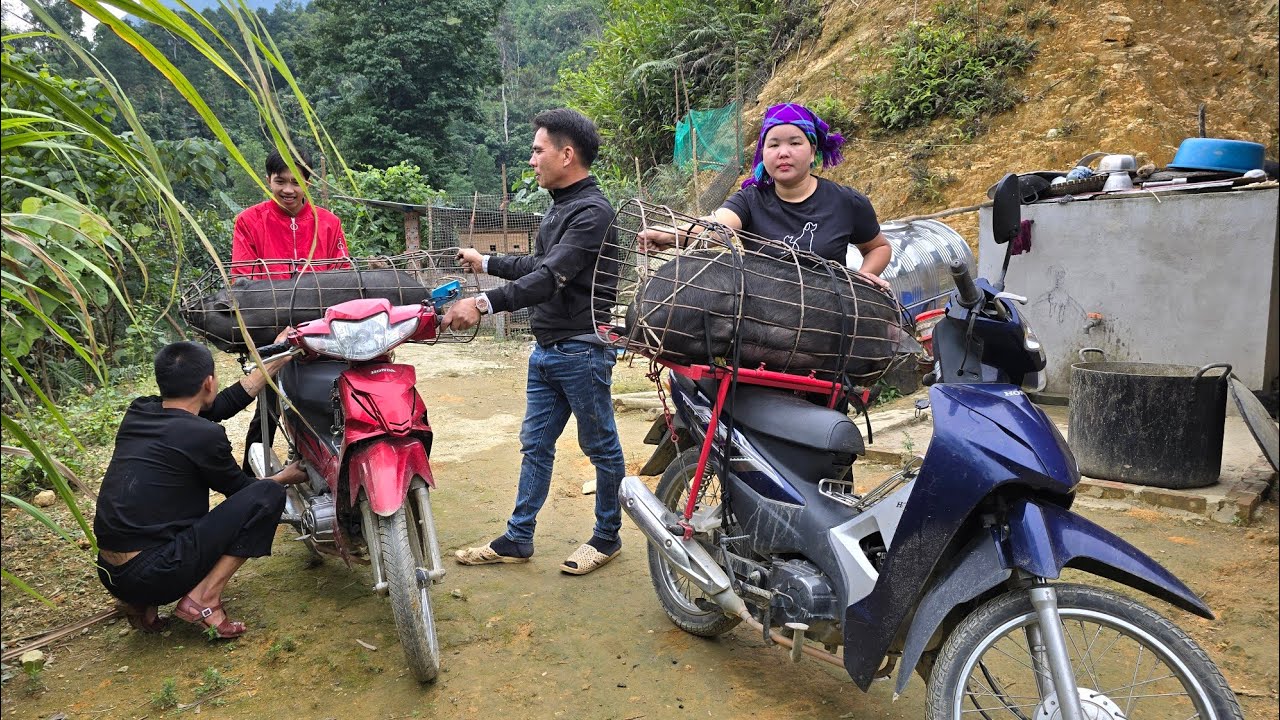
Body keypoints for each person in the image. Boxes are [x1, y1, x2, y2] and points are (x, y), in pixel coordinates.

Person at [442, 108, 625, 576]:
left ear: (567, 155)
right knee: (536, 446)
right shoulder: (561, 207)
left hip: (583, 349)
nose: (531, 159)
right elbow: (537, 267)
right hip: (547, 351)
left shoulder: (593, 212)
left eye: (537, 149)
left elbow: (549, 278)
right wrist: (486, 262)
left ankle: (607, 536)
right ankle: (518, 538)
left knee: (601, 447)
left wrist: (482, 304)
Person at [94, 341, 307, 639]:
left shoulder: (140, 411)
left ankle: (143, 603)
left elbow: (219, 406)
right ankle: (203, 599)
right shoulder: (202, 436)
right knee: (268, 495)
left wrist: (273, 363)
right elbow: (243, 492)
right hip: (155, 573)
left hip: (113, 575)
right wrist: (284, 477)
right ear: (209, 382)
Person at [638, 102, 892, 287]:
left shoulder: (846, 201)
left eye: (795, 143)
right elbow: (715, 229)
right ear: (763, 153)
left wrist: (862, 278)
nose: (783, 152)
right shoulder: (751, 199)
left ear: (813, 151)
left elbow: (878, 247)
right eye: (773, 145)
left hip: (831, 318)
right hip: (765, 320)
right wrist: (669, 234)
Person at [230, 148, 350, 474]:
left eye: (296, 182)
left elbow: (341, 276)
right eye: (280, 180)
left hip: (323, 326)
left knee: (345, 391)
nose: (288, 189)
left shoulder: (329, 222)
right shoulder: (249, 222)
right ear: (268, 179)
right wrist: (279, 328)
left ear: (308, 182)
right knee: (268, 406)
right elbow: (243, 281)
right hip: (272, 328)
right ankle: (248, 489)